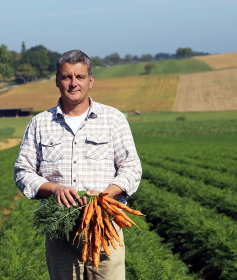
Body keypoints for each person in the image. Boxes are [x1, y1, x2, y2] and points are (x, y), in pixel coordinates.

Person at [14, 49, 142, 280]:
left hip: (105, 229)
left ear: (90, 81)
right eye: (66, 77)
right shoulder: (40, 123)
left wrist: (104, 195)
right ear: (57, 81)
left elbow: (131, 167)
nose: (73, 83)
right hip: (60, 230)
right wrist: (55, 189)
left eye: (80, 77)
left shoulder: (113, 119)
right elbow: (23, 172)